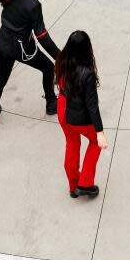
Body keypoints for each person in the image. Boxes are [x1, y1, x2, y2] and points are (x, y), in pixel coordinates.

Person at [0, 0, 61, 126]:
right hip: (22, 48)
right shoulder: (33, 4)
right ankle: (51, 103)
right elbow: (42, 36)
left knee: (1, 77)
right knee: (48, 68)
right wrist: (59, 56)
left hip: (4, 43)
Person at [54, 29, 107, 198]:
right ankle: (85, 183)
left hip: (62, 109)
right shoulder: (87, 73)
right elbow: (92, 105)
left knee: (71, 143)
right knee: (95, 142)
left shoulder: (62, 61)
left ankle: (73, 186)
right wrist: (100, 132)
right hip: (78, 116)